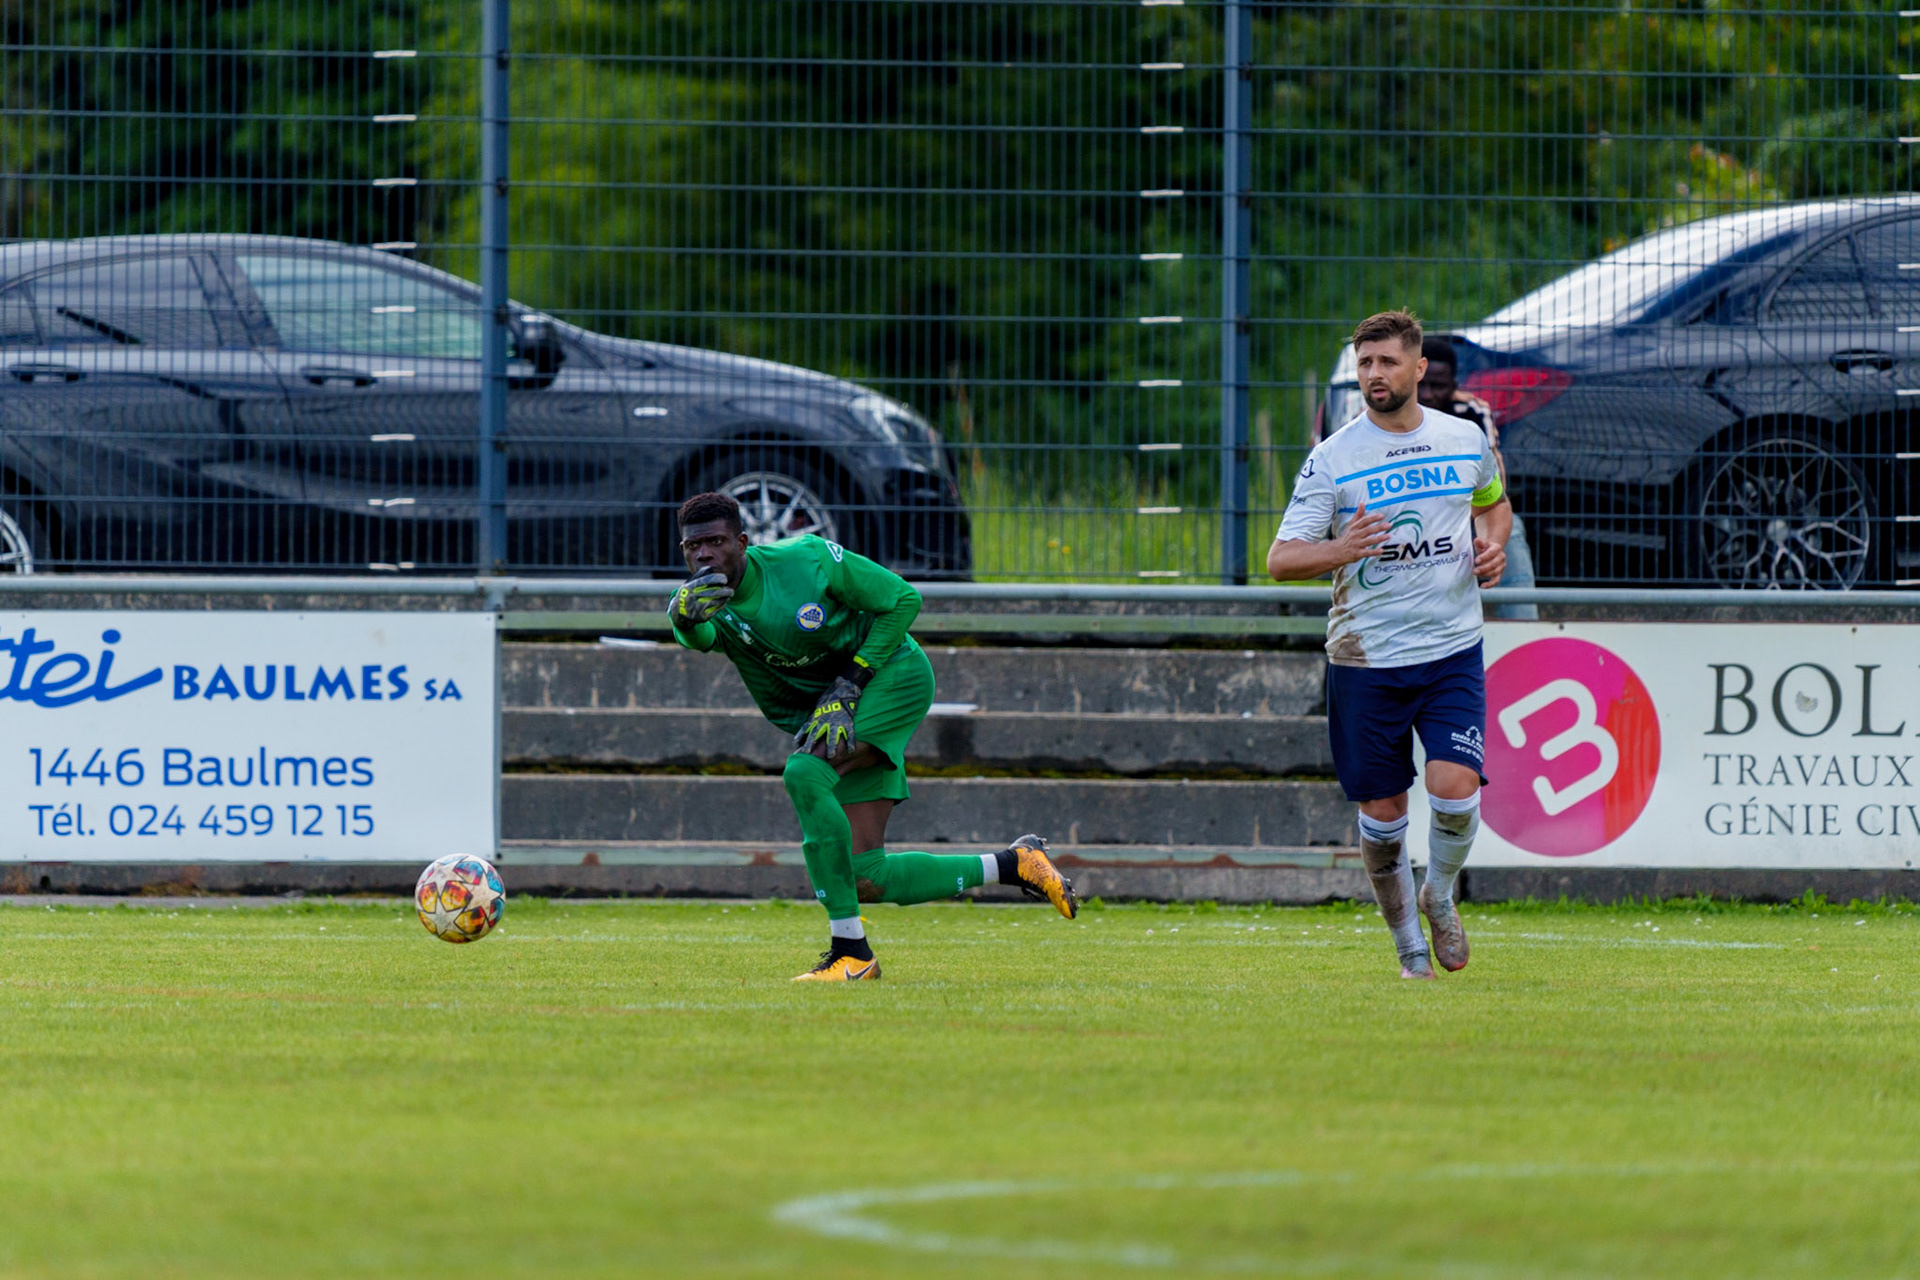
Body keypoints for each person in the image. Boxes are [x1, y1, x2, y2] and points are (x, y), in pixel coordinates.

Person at [666, 491, 1078, 981]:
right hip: (834, 709)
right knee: (865, 877)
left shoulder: (808, 559)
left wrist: (849, 683)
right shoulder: (699, 599)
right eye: (693, 547)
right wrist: (681, 619)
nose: (704, 555)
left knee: (804, 772)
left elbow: (904, 600)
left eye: (715, 542)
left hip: (891, 678)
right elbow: (701, 638)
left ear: (743, 542)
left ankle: (852, 953)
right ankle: (1015, 864)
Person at [1267, 310, 1511, 979]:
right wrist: (1340, 549)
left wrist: (1494, 543)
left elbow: (1493, 503)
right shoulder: (1335, 458)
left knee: (1457, 788)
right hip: (1366, 658)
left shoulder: (1463, 440)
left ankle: (1439, 892)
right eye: (1364, 363)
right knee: (1383, 814)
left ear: (1417, 367)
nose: (1374, 374)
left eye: (1386, 362)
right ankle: (1409, 951)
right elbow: (1281, 559)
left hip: (1452, 647)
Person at [1417, 336, 1538, 621]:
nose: (1427, 395)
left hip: (1463, 516)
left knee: (1511, 529)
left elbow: (1495, 487)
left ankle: (1524, 630)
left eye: (1438, 386)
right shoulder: (1388, 414)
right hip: (1408, 520)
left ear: (1454, 385)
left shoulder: (1471, 413)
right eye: (1420, 385)